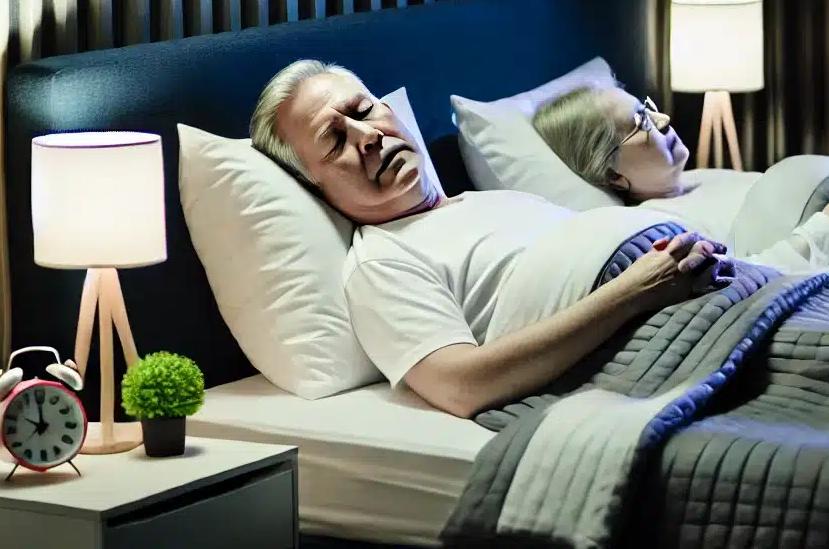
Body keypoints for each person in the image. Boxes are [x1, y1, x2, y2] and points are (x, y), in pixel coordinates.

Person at [251, 60, 765, 420]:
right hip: (655, 328)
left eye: (363, 112)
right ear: (313, 185)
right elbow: (459, 385)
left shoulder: (491, 201)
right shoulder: (383, 261)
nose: (367, 137)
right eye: (334, 140)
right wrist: (636, 289)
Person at [531, 85, 829, 268]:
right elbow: (749, 280)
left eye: (647, 108)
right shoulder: (659, 229)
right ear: (613, 177)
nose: (663, 120)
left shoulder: (706, 177)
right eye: (641, 122)